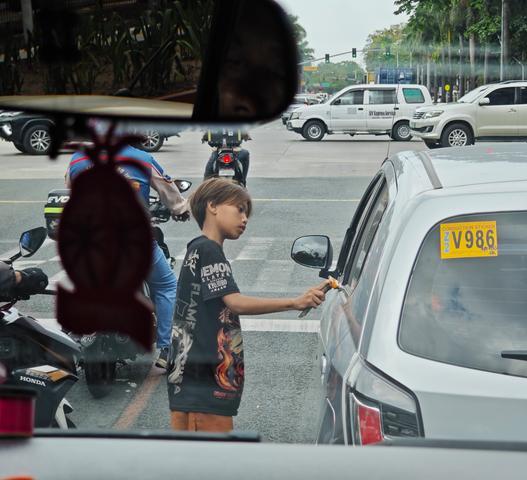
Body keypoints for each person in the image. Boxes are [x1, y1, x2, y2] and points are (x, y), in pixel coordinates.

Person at [167, 178, 330, 432]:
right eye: (239, 209)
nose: (245, 219)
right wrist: (295, 302)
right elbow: (236, 303)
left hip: (193, 381)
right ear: (212, 206)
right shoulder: (209, 250)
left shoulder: (198, 249)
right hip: (204, 385)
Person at [65, 144, 189, 370]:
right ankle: (166, 348)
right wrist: (180, 208)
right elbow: (168, 189)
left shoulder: (77, 159)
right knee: (166, 286)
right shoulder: (141, 158)